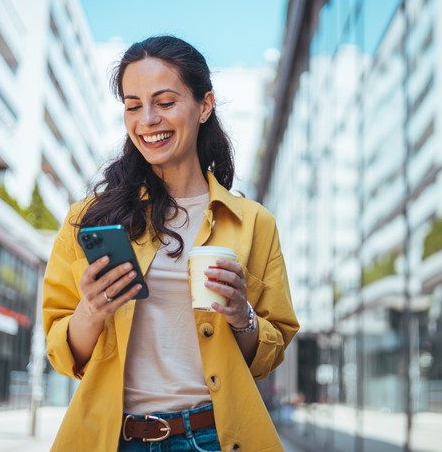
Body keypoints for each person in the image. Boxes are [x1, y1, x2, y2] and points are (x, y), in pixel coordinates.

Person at [43, 35, 299, 451]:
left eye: (164, 103)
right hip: (114, 439)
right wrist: (91, 310)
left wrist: (242, 315)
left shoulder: (254, 222)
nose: (147, 119)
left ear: (205, 105)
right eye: (132, 105)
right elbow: (62, 353)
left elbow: (270, 353)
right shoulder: (88, 219)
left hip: (215, 438)